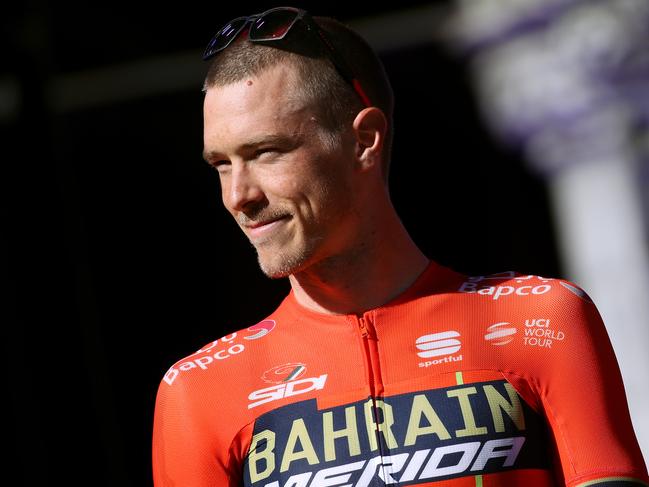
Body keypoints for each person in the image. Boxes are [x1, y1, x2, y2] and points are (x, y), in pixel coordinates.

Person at [152, 6, 649, 487]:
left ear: (365, 139)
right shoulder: (198, 391)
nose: (240, 195)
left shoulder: (543, 321)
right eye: (221, 164)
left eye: (266, 152)